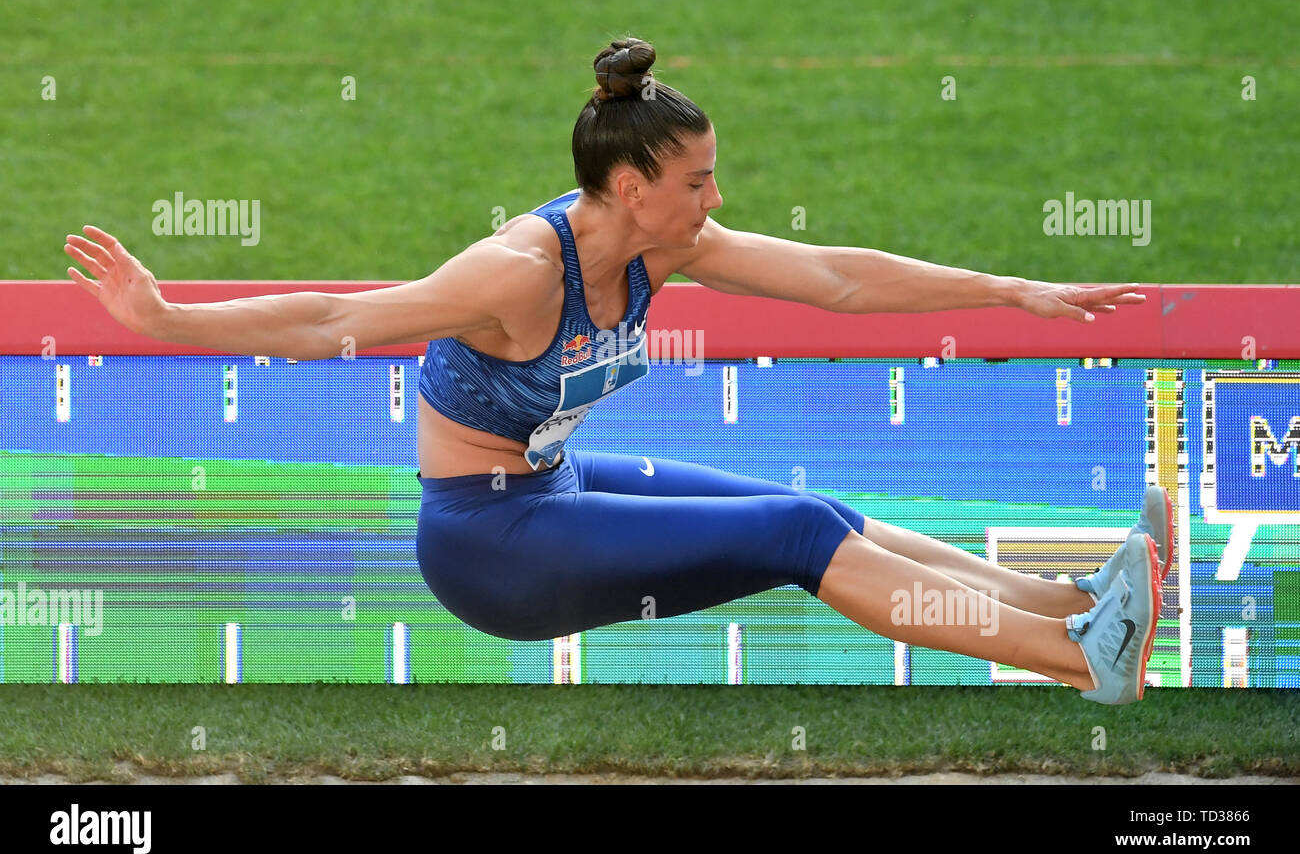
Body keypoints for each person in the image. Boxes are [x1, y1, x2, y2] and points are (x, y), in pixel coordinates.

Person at [64, 37, 1170, 704]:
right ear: (631, 182)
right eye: (698, 180)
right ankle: (1081, 660)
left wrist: (1012, 288)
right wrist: (165, 316)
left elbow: (835, 276)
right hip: (487, 544)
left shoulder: (664, 243)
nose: (715, 201)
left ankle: (1075, 603)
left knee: (820, 509)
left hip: (553, 492)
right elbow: (341, 315)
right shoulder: (514, 273)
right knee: (794, 535)